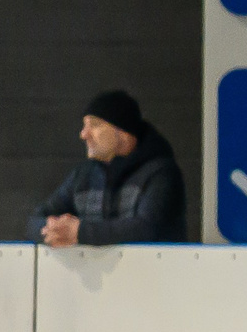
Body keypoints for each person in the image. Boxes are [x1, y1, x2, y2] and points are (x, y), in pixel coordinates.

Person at [30, 91, 186, 245]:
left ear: (124, 132)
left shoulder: (161, 173)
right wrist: (50, 230)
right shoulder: (82, 175)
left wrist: (80, 232)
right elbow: (34, 220)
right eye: (84, 126)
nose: (84, 134)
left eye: (95, 125)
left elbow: (146, 228)